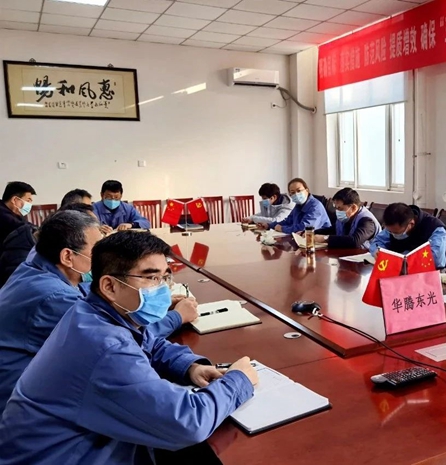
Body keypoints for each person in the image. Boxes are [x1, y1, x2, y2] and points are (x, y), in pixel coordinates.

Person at [0, 231, 258, 464]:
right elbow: (188, 423)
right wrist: (238, 380)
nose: (162, 289)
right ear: (110, 286)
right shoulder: (105, 346)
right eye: (151, 278)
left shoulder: (93, 311)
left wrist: (189, 367)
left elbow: (148, 341)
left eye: (165, 277)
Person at [0, 213, 198, 414]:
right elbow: (119, 337)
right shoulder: (55, 297)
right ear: (68, 257)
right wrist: (177, 317)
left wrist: (139, 299)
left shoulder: (39, 265)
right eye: (96, 251)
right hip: (22, 403)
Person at [370, 203, 446, 269]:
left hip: (432, 274)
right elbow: (378, 241)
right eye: (390, 231)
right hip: (398, 270)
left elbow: (436, 260)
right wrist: (377, 251)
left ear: (411, 224)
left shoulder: (435, 228)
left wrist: (404, 257)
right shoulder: (394, 224)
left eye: (396, 232)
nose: (392, 234)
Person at [258, 178, 331, 233]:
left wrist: (282, 229)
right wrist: (269, 225)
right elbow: (288, 221)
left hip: (319, 242)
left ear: (307, 190)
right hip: (301, 239)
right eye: (292, 192)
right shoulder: (298, 205)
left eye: (299, 191)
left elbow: (304, 228)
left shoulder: (315, 206)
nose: (296, 194)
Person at [315, 188, 380, 249]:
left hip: (368, 255)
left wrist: (325, 238)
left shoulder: (367, 221)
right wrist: (313, 233)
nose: (337, 211)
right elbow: (334, 230)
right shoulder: (346, 217)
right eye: (336, 208)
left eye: (339, 208)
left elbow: (355, 241)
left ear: (353, 208)